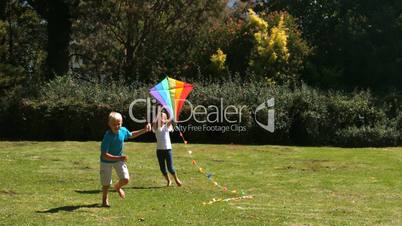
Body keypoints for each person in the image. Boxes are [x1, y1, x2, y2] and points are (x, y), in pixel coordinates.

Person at [100, 112, 151, 207]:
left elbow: (131, 135)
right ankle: (104, 199)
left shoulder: (123, 131)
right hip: (106, 162)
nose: (116, 126)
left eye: (118, 124)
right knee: (106, 184)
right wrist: (119, 157)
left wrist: (144, 130)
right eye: (114, 124)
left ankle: (117, 187)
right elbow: (104, 155)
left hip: (118, 160)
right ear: (109, 124)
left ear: (121, 123)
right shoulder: (108, 136)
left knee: (126, 179)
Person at [152, 110, 182, 187]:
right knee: (162, 168)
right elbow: (153, 123)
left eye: (162, 118)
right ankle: (169, 180)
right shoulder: (156, 127)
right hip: (159, 151)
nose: (160, 119)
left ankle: (176, 179)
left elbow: (171, 120)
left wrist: (170, 112)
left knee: (170, 168)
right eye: (159, 117)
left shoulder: (167, 126)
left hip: (168, 150)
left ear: (165, 119)